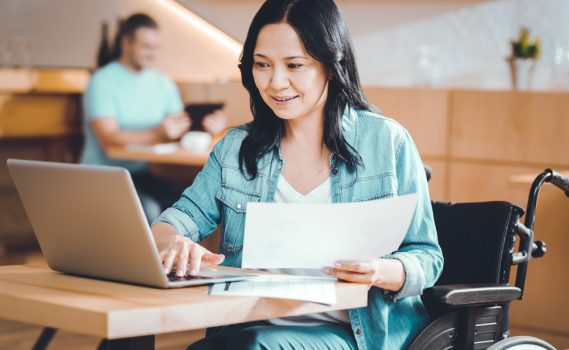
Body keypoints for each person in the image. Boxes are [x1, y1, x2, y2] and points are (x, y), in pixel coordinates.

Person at [151, 0, 443, 349]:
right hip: (251, 324)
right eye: (262, 65)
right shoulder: (235, 148)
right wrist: (174, 242)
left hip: (357, 335)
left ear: (331, 67)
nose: (276, 82)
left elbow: (427, 257)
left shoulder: (387, 141)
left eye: (295, 65)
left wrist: (379, 271)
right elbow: (173, 222)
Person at [80, 13, 226, 222]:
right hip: (102, 175)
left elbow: (178, 130)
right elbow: (108, 137)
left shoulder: (163, 83)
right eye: (146, 47)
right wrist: (157, 132)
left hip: (141, 175)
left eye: (156, 47)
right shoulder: (102, 81)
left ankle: (185, 256)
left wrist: (209, 128)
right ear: (126, 42)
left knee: (191, 204)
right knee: (146, 210)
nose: (153, 54)